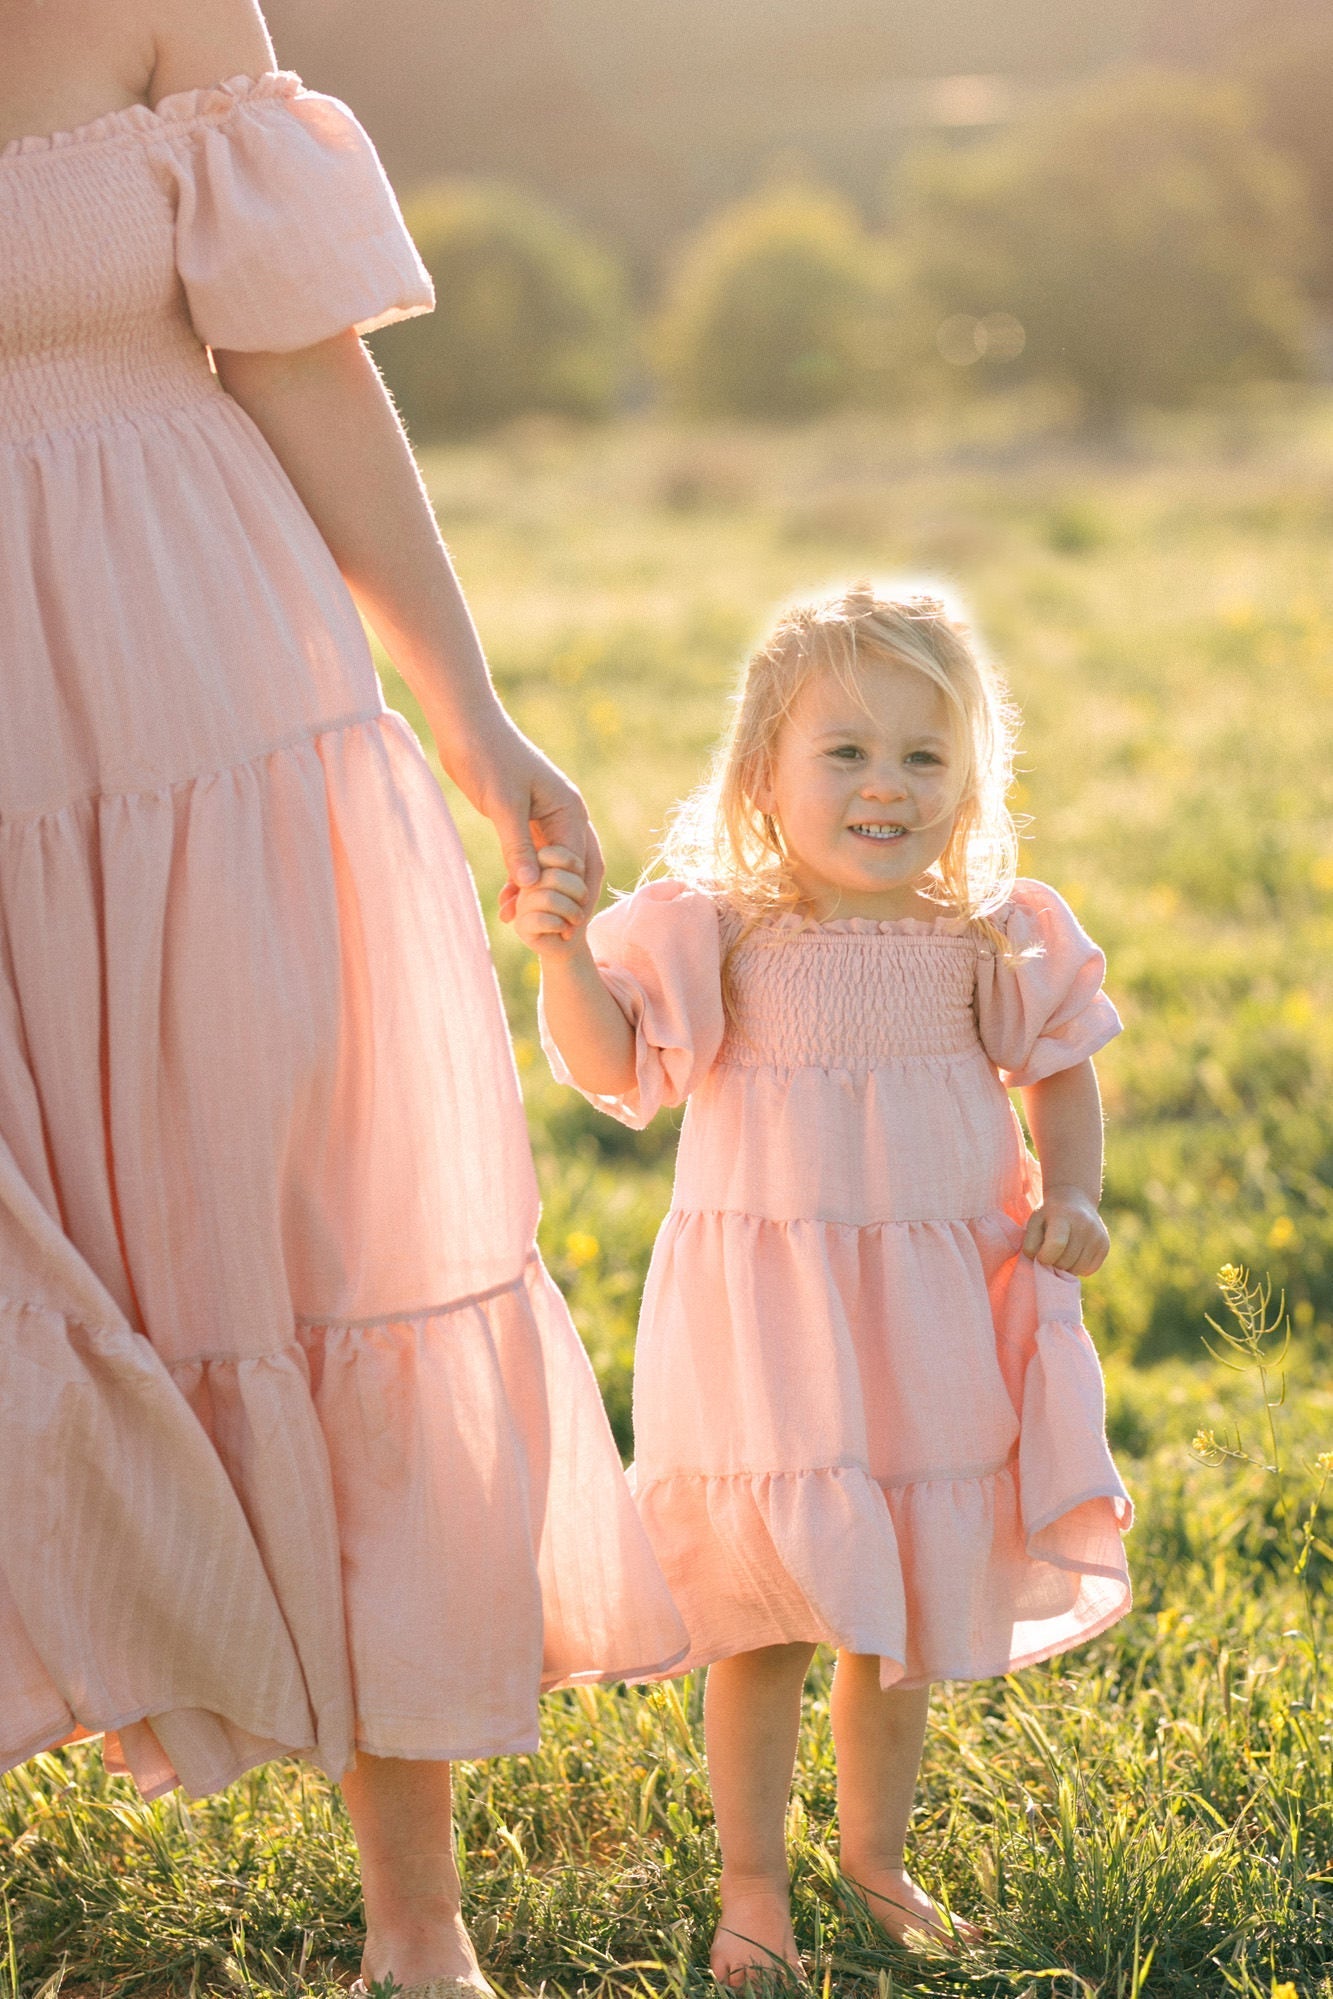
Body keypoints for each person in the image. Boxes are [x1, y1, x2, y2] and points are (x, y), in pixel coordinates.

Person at [0, 1, 687, 1992]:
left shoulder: (156, 2)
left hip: (214, 688)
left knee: (320, 1239)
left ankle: (419, 1933)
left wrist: (473, 718)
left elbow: (297, 355)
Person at [516, 585, 1133, 1983]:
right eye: (843, 753)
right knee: (766, 1619)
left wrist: (1076, 1189)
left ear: (969, 776)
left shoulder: (992, 928)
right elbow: (614, 1069)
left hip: (924, 1317)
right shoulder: (715, 929)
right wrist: (562, 950)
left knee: (890, 1622)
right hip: (766, 1322)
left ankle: (873, 1858)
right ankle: (751, 1888)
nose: (884, 787)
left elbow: (1060, 1068)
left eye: (923, 757)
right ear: (762, 774)